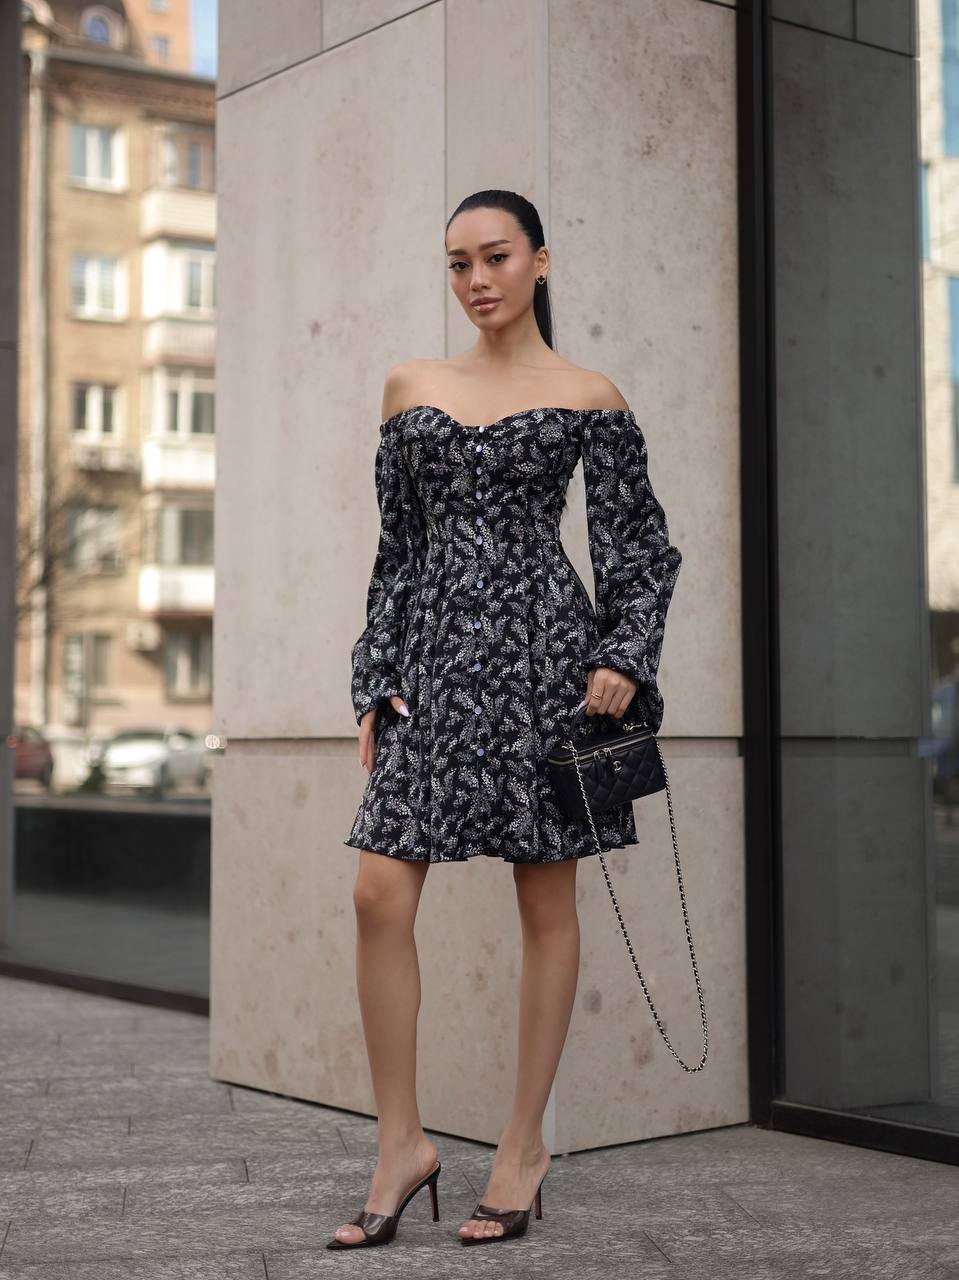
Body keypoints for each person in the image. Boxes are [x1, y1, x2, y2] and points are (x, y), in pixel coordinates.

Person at [330, 189, 682, 1249]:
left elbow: (640, 551)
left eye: (494, 257)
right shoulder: (410, 389)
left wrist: (624, 655)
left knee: (545, 904)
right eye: (457, 263)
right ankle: (403, 1141)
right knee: (378, 889)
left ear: (539, 260)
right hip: (432, 670)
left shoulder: (589, 395)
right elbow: (397, 550)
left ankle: (522, 1143)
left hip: (545, 667)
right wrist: (375, 673)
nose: (476, 279)